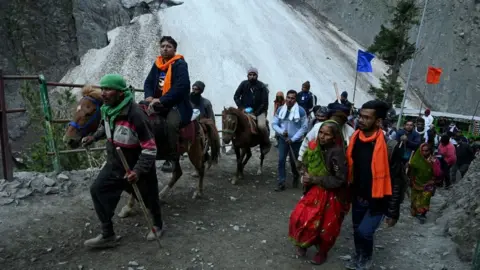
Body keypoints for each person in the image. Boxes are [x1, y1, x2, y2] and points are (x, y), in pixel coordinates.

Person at [82, 74, 163, 248]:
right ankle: (107, 234)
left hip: (136, 166)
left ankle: (158, 225)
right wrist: (93, 137)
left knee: (149, 198)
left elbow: (150, 147)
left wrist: (138, 170)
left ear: (120, 93)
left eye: (108, 89)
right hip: (115, 164)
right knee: (98, 190)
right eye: (102, 89)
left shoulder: (135, 115)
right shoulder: (107, 109)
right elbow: (106, 127)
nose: (103, 93)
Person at [344, 100, 404, 270]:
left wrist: (393, 212)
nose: (361, 120)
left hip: (378, 199)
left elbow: (397, 181)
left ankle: (366, 258)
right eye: (360, 116)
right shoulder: (355, 139)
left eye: (366, 118)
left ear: (378, 121)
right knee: (356, 230)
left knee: (365, 231)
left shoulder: (390, 147)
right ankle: (359, 255)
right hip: (358, 195)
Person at [289, 121, 350, 265]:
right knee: (301, 217)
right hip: (313, 191)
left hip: (330, 194)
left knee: (326, 226)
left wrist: (315, 179)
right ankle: (303, 243)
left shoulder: (337, 153)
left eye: (327, 134)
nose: (322, 137)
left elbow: (340, 179)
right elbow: (305, 164)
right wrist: (304, 174)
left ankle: (322, 252)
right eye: (321, 133)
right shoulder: (313, 147)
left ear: (334, 137)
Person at [143, 36, 192, 172]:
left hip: (176, 104)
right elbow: (148, 82)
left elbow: (181, 87)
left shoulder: (180, 64)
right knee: (140, 115)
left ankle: (172, 158)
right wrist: (148, 96)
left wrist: (162, 100)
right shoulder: (157, 64)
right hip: (157, 103)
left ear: (174, 49)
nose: (165, 49)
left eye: (168, 46)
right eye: (163, 46)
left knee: (171, 124)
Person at [272, 90, 308, 191]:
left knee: (294, 161)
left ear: (295, 99)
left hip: (296, 141)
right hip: (283, 139)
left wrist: (293, 139)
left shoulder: (301, 111)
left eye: (292, 98)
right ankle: (281, 182)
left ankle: (296, 176)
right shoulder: (280, 110)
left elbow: (304, 127)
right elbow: (274, 124)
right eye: (288, 97)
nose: (290, 100)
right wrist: (281, 131)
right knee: (281, 160)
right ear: (285, 98)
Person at [233, 67, 270, 154]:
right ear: (247, 76)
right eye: (250, 75)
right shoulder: (243, 84)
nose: (252, 76)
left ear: (257, 76)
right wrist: (241, 108)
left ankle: (266, 143)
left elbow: (264, 102)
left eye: (254, 75)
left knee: (261, 126)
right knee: (234, 122)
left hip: (259, 111)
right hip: (244, 110)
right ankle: (234, 143)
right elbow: (236, 96)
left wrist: (256, 112)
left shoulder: (262, 86)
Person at [408, 143, 443, 224]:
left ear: (430, 151)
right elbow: (411, 171)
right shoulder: (416, 159)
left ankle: (422, 214)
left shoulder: (434, 160)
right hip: (416, 182)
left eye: (426, 151)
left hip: (429, 183)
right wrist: (409, 167)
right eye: (422, 151)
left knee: (425, 198)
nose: (424, 152)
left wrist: (434, 165)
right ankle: (417, 212)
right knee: (416, 198)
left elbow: (438, 173)